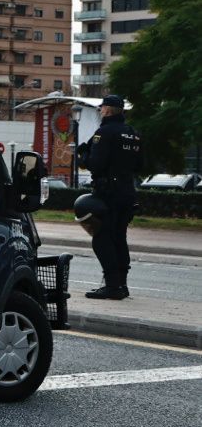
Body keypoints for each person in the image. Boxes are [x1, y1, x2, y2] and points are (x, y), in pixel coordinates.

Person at [81, 95, 142, 300]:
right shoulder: (132, 133)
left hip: (108, 194)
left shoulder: (104, 132)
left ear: (107, 110)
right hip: (127, 192)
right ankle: (122, 286)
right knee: (119, 238)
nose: (100, 111)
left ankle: (112, 286)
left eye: (102, 108)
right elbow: (141, 164)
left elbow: (95, 164)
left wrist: (83, 156)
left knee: (102, 238)